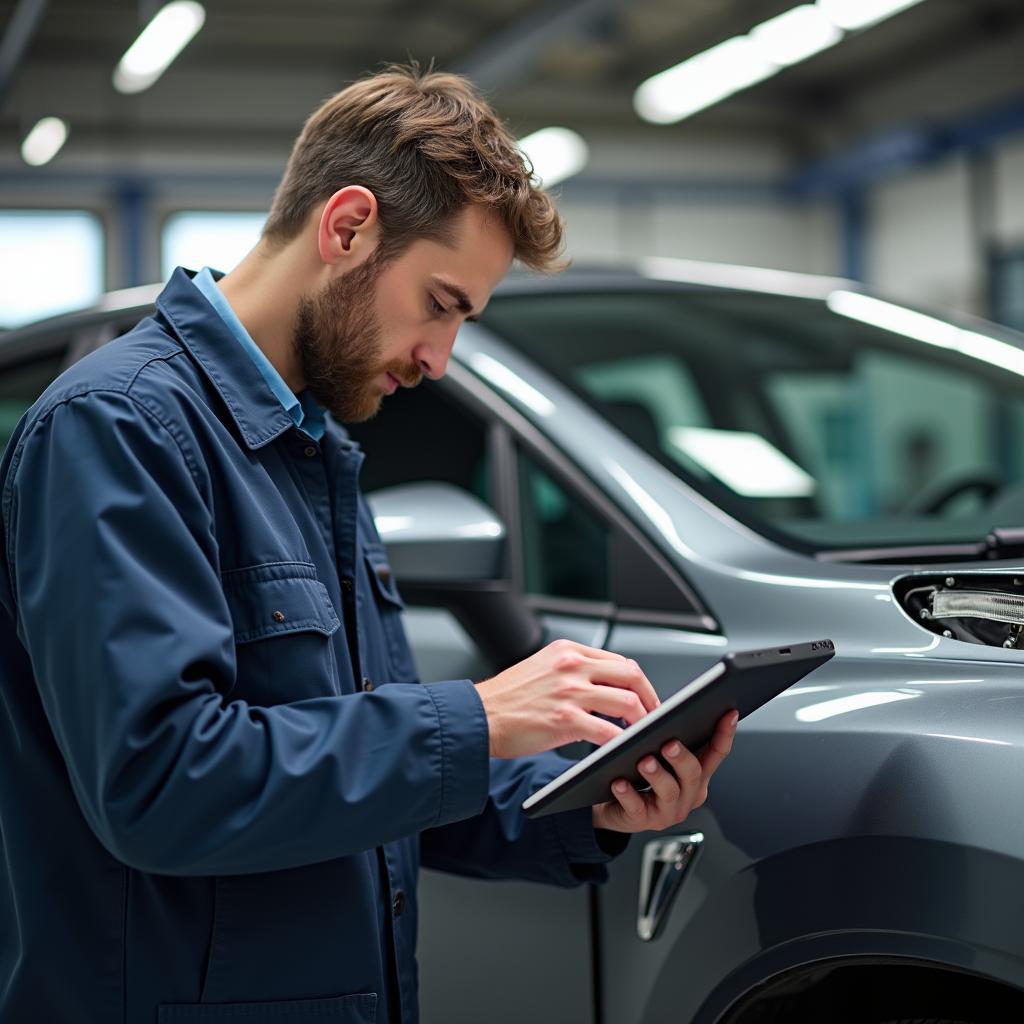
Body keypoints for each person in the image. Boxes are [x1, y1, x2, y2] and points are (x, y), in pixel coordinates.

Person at [0, 64, 737, 1023]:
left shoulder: (318, 457)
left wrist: (578, 804)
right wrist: (476, 719)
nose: (438, 359)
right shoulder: (120, 428)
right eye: (440, 304)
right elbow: (164, 782)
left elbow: (361, 792)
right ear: (347, 229)